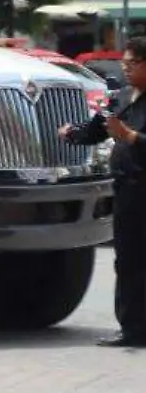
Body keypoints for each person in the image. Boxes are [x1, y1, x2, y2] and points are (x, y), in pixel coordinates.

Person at [59, 36, 146, 347]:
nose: (125, 69)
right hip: (127, 193)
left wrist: (132, 137)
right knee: (127, 261)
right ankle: (132, 329)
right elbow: (96, 130)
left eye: (132, 63)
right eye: (124, 63)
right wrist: (71, 134)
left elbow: (131, 137)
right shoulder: (121, 98)